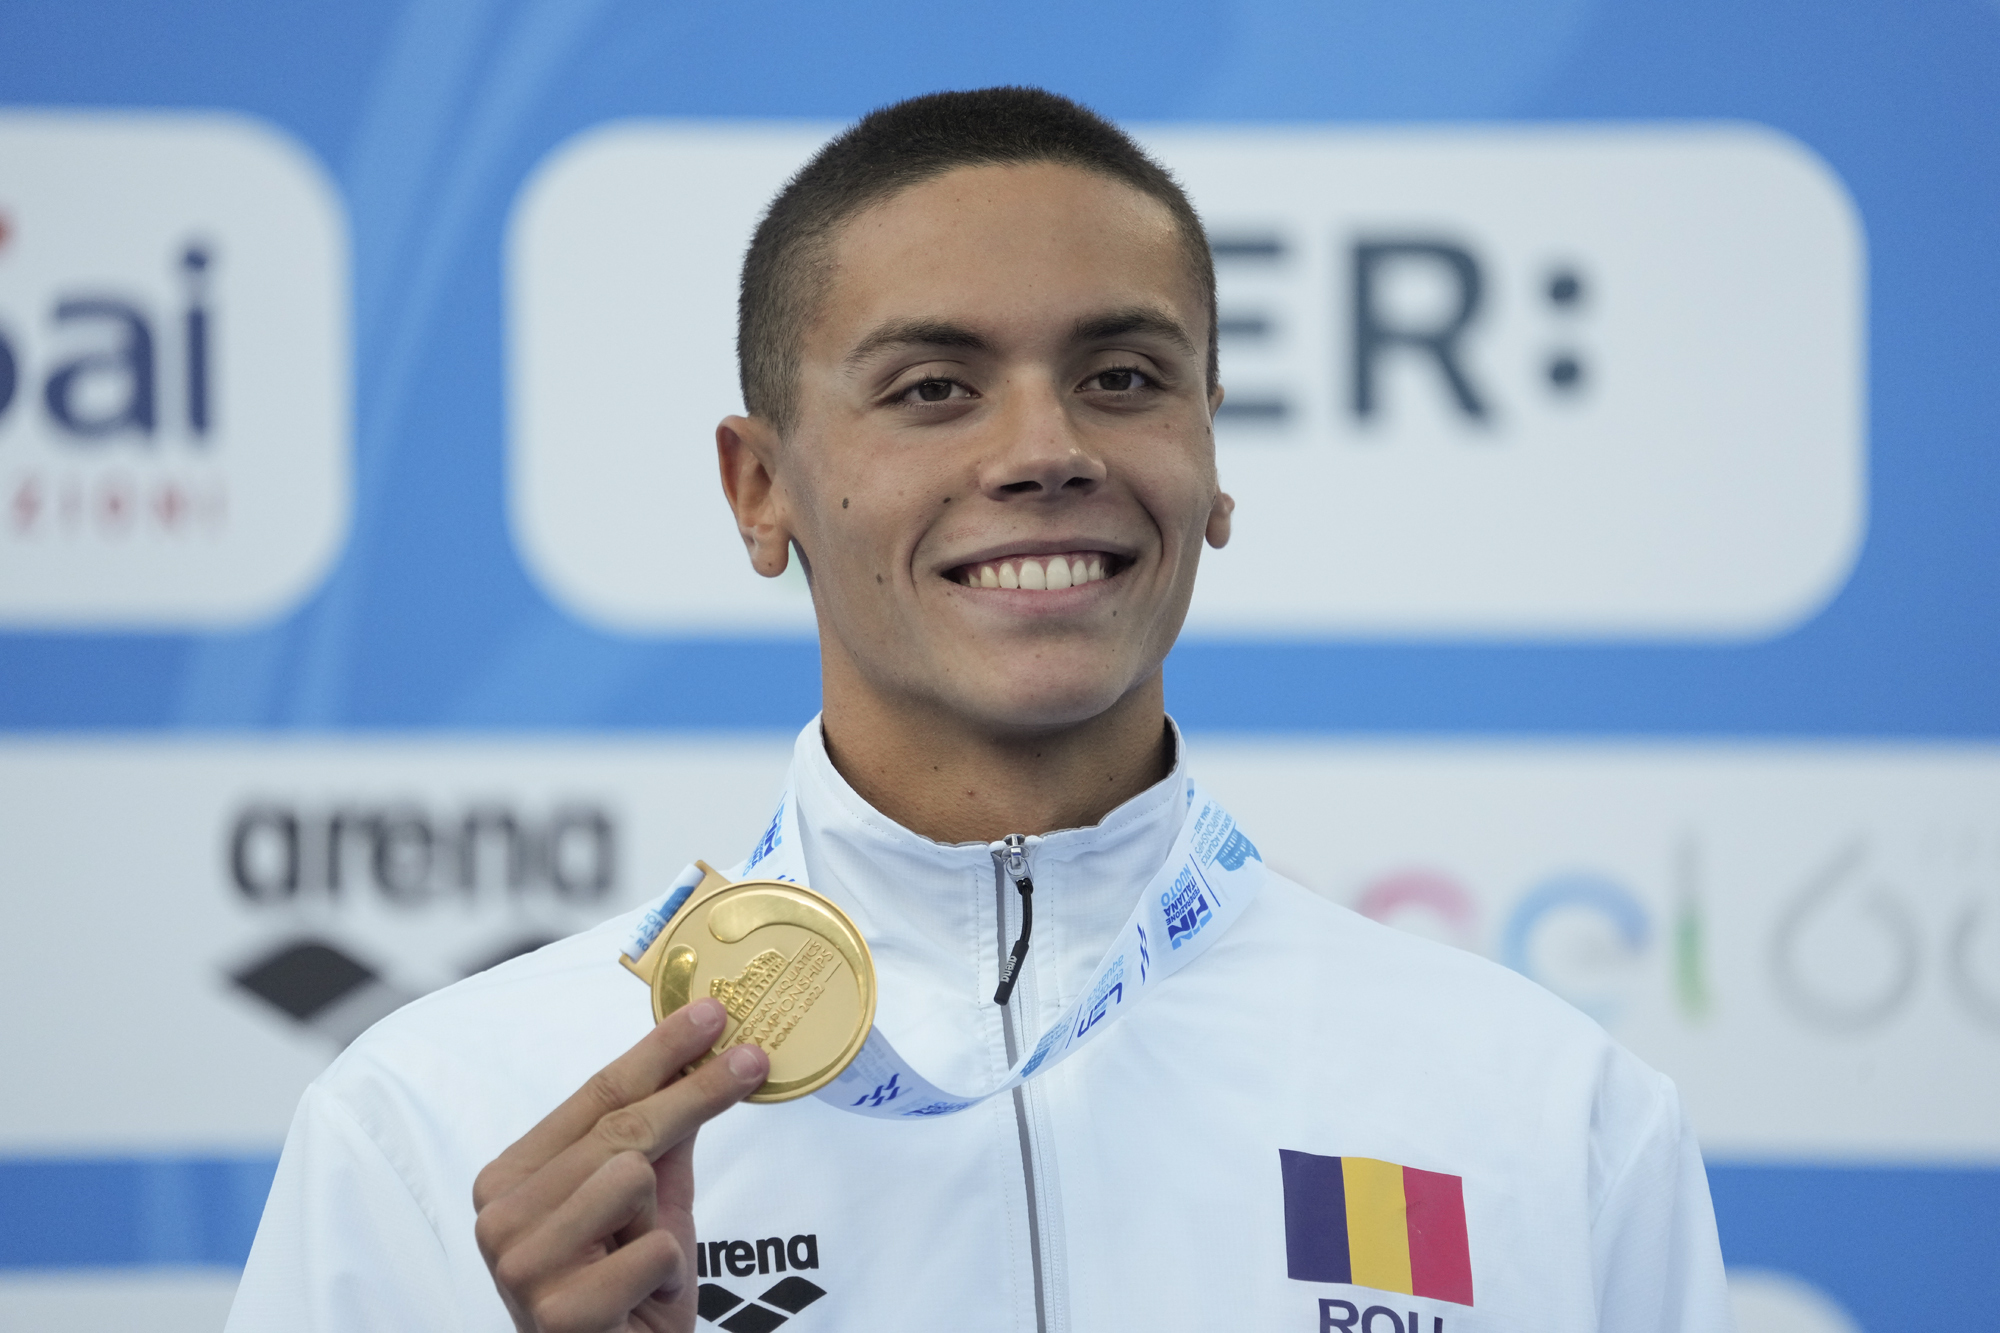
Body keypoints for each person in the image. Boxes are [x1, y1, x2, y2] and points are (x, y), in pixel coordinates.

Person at [227, 87, 1733, 1333]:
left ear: (1213, 460)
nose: (1044, 450)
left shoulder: (1544, 1111)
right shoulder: (445, 1121)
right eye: (933, 389)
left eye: (1123, 376)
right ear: (760, 488)